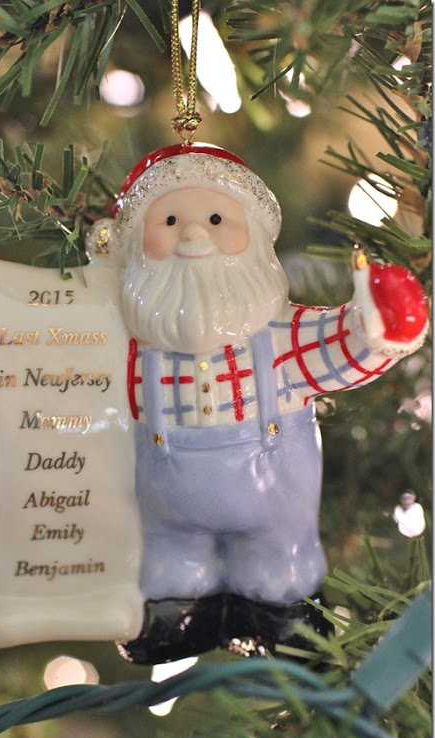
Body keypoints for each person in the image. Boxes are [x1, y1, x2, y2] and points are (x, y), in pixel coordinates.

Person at [86, 142, 428, 664]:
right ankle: (178, 611)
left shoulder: (281, 338)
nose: (194, 234)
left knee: (277, 569)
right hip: (166, 518)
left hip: (275, 512)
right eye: (170, 220)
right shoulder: (128, 345)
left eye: (216, 219)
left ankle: (280, 615)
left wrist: (381, 324)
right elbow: (70, 384)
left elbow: (341, 345)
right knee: (171, 566)